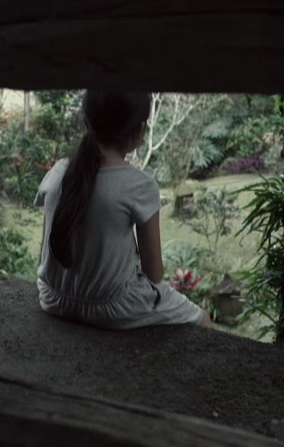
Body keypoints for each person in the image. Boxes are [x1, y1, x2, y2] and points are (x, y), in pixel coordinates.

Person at [34, 90, 212, 329]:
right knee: (203, 319)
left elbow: (45, 251)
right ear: (140, 131)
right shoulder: (140, 185)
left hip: (52, 297)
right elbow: (154, 274)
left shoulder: (58, 172)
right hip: (112, 306)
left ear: (87, 121)